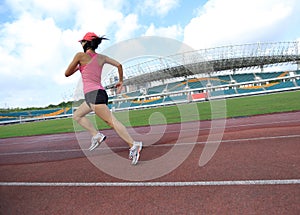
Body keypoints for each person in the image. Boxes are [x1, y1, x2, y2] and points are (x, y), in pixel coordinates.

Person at [65, 32, 142, 165]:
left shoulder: (80, 56)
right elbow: (119, 65)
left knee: (112, 122)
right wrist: (121, 81)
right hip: (98, 93)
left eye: (82, 42)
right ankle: (96, 135)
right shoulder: (101, 57)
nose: (81, 44)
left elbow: (67, 73)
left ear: (86, 43)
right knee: (77, 115)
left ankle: (133, 145)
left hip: (93, 94)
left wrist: (79, 66)